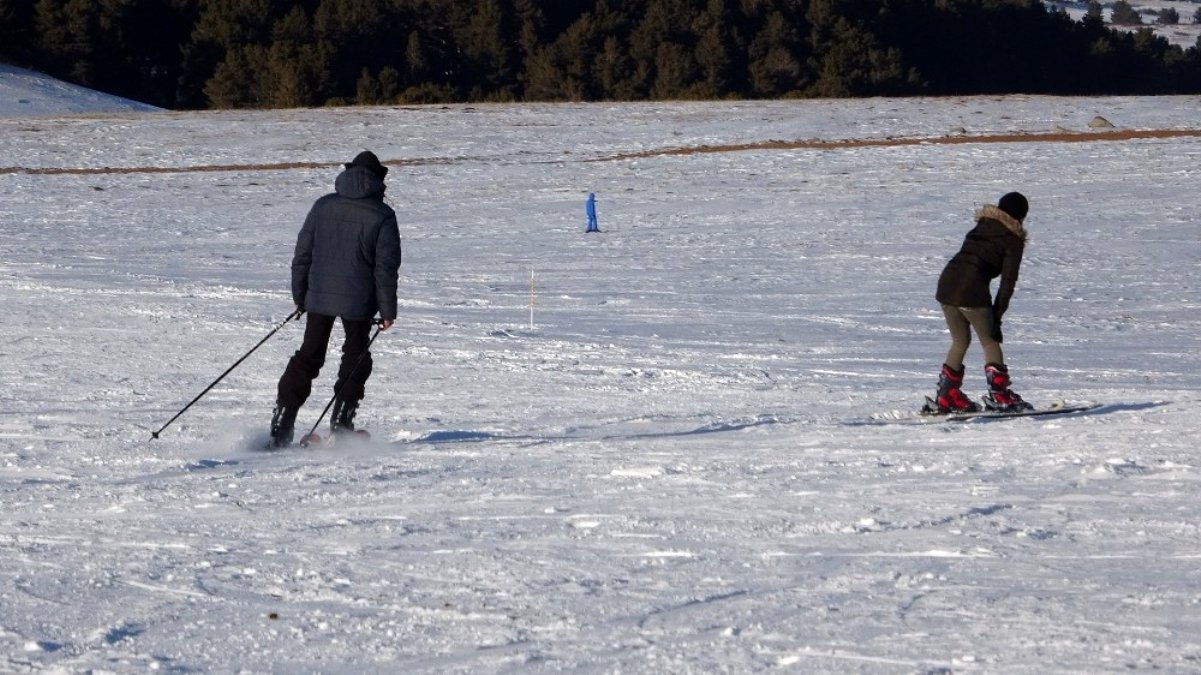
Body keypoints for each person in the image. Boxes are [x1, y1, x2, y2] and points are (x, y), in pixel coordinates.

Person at [269, 150, 402, 448]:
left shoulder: (322, 206)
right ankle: (342, 423)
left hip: (318, 297)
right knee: (355, 358)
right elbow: (386, 268)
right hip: (359, 302)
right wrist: (388, 310)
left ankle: (282, 423)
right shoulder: (383, 215)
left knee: (308, 356)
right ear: (379, 180)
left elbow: (302, 255)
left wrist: (299, 296)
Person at [929, 191, 1031, 413]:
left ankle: (947, 396)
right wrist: (997, 316)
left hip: (947, 285)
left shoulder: (981, 226)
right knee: (990, 341)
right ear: (1020, 216)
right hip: (971, 290)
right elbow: (1008, 283)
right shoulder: (1013, 239)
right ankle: (1000, 395)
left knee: (960, 340)